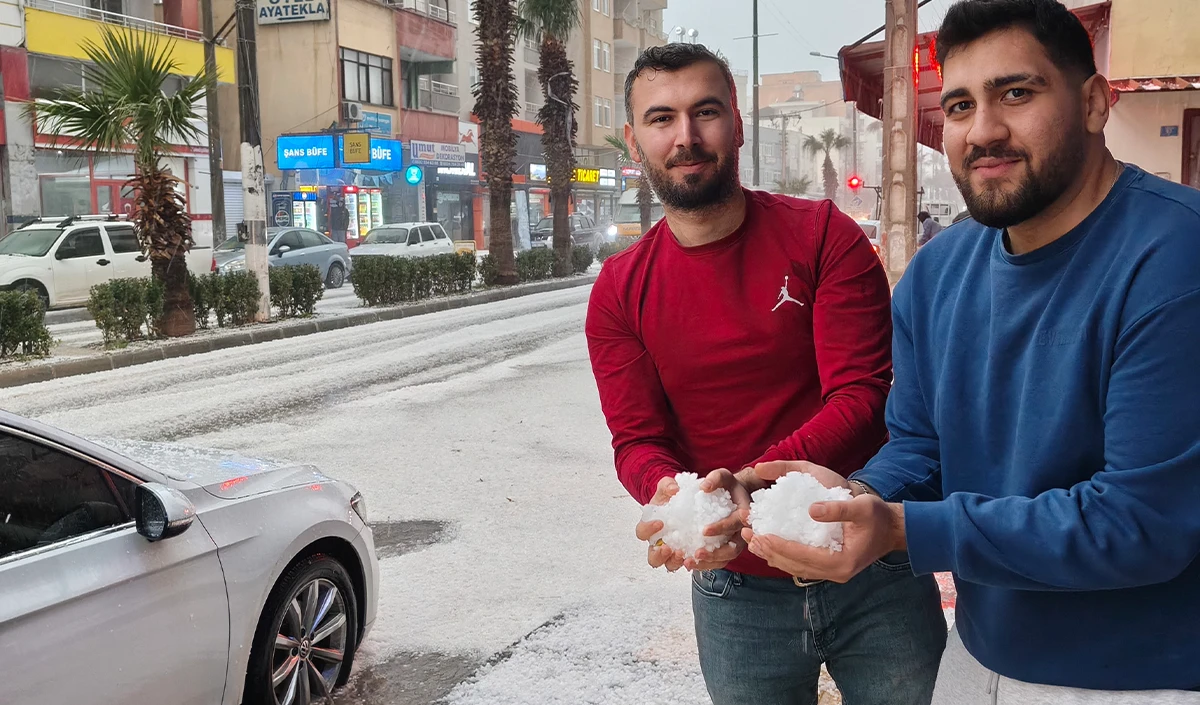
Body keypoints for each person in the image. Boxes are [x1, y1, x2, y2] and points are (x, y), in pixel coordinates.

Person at [738, 1, 1200, 703]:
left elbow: (1139, 523)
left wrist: (899, 528)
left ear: (1094, 102)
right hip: (978, 654)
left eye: (1017, 93)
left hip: (1134, 675)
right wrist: (852, 497)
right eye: (959, 104)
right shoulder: (938, 271)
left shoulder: (1174, 258)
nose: (983, 130)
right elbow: (921, 449)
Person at [586, 43, 946, 705]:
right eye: (662, 119)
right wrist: (671, 497)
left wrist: (746, 481)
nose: (686, 137)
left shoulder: (821, 235)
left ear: (739, 125)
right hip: (737, 593)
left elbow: (863, 394)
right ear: (635, 141)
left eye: (707, 112)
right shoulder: (619, 289)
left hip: (872, 564)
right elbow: (636, 439)